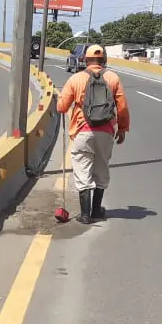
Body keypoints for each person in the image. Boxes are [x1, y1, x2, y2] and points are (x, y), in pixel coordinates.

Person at [56, 44, 130, 224]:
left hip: (83, 130)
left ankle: (85, 215)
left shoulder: (76, 79)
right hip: (105, 132)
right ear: (104, 60)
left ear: (85, 59)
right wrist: (122, 128)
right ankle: (97, 210)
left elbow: (61, 107)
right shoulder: (113, 78)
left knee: (83, 169)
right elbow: (122, 107)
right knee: (101, 169)